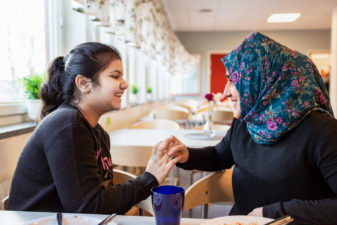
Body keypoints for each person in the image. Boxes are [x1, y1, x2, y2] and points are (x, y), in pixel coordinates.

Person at [162, 32, 337, 225]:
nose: (226, 91)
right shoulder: (247, 120)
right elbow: (220, 156)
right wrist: (188, 155)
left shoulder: (323, 130)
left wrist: (274, 212)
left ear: (268, 81)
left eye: (234, 81)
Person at [7, 42, 181, 214]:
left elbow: (101, 202)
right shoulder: (67, 125)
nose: (125, 84)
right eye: (115, 76)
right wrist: (149, 178)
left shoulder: (96, 132)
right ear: (84, 83)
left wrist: (148, 179)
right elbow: (89, 208)